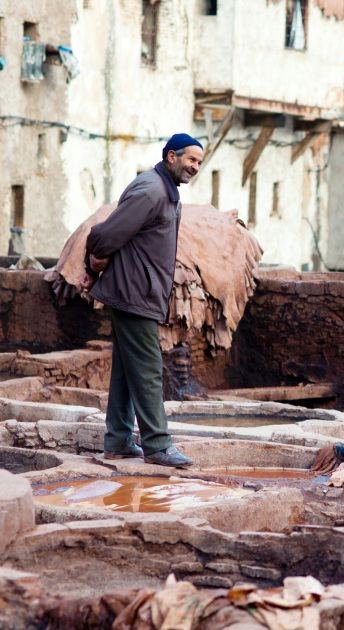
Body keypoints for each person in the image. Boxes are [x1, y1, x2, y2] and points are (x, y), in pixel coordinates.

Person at [81, 133, 204, 468]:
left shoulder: (165, 192)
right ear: (171, 157)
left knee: (126, 369)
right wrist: (91, 262)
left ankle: (119, 441)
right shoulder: (150, 190)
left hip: (139, 292)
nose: (195, 167)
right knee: (149, 369)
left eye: (199, 163)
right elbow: (106, 234)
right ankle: (158, 445)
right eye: (191, 159)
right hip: (132, 292)